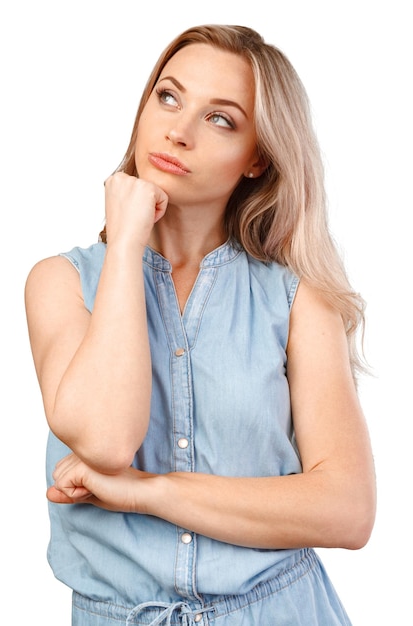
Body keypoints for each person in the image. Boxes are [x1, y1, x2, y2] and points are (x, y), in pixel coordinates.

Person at [25, 24, 376, 626]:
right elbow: (106, 440)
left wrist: (149, 492)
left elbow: (347, 509)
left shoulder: (297, 298)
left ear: (257, 156)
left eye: (220, 119)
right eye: (168, 97)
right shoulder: (61, 283)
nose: (177, 132)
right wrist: (130, 238)